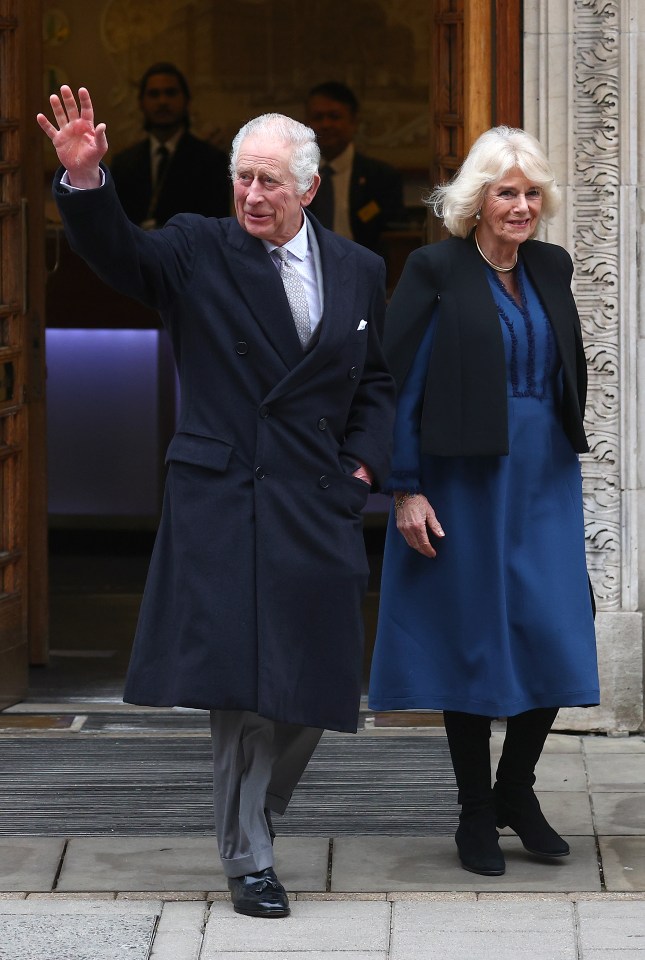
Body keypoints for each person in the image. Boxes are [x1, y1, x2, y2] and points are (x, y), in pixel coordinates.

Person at [37, 86, 395, 917]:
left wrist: (362, 473)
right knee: (242, 689)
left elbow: (373, 384)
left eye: (270, 181)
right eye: (242, 178)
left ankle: (254, 822)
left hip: (317, 497)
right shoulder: (197, 249)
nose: (252, 195)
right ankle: (250, 860)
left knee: (315, 683)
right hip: (226, 493)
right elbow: (122, 254)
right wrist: (86, 182)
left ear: (308, 188)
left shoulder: (358, 269)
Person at [368, 126, 599, 878]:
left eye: (531, 193)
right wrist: (405, 489)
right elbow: (398, 385)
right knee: (469, 637)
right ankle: (474, 809)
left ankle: (516, 791)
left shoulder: (550, 266)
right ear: (476, 199)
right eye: (506, 192)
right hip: (462, 477)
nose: (521, 206)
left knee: (555, 627)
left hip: (542, 478)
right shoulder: (435, 268)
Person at [110, 62, 230, 228]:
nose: (162, 101)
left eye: (171, 93)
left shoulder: (212, 161)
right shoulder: (122, 163)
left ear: (186, 100)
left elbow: (216, 226)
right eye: (154, 94)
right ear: (141, 103)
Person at [305, 81, 404, 256]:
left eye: (334, 116)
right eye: (318, 117)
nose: (326, 124)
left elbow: (393, 239)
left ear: (353, 122)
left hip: (363, 270)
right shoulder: (293, 175)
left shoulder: (382, 177)